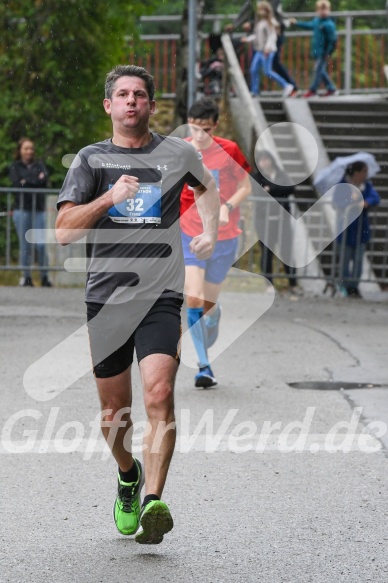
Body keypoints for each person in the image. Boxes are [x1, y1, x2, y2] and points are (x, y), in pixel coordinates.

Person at [55, 65, 220, 544]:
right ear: (109, 105)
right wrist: (110, 197)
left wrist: (207, 229)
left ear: (151, 105)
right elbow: (65, 231)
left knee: (159, 393)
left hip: (160, 295)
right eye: (122, 95)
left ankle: (152, 500)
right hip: (107, 298)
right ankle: (127, 475)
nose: (131, 101)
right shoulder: (90, 160)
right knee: (114, 415)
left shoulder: (178, 152)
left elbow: (205, 186)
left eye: (140, 95)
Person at [180, 97, 251, 388]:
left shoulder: (229, 150)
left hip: (224, 236)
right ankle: (203, 366)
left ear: (215, 126)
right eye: (195, 129)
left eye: (206, 130)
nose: (199, 136)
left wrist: (227, 207)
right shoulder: (180, 150)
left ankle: (214, 315)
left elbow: (246, 186)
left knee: (208, 306)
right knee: (193, 298)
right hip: (189, 233)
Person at [251, 150, 299, 294]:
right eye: (261, 161)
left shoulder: (281, 174)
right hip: (263, 220)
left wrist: (271, 189)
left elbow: (290, 188)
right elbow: (258, 192)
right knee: (267, 252)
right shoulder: (256, 177)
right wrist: (276, 190)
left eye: (266, 160)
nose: (264, 163)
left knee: (286, 251)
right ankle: (268, 284)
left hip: (282, 219)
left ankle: (293, 283)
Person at [225, 0, 297, 93]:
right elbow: (256, 34)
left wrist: (267, 47)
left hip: (267, 49)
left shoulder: (270, 21)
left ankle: (288, 86)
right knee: (254, 69)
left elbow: (272, 35)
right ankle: (254, 91)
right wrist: (247, 38)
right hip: (260, 49)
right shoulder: (260, 22)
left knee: (269, 70)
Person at [333, 161, 380, 298]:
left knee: (358, 260)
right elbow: (337, 201)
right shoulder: (343, 184)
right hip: (345, 228)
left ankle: (354, 286)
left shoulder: (366, 185)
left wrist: (366, 202)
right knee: (344, 260)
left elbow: (375, 197)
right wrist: (351, 200)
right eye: (364, 171)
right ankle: (344, 285)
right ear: (357, 173)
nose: (366, 174)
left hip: (361, 228)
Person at [9, 138, 52, 287]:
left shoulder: (40, 165)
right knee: (25, 245)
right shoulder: (15, 166)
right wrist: (34, 180)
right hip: (22, 209)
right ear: (20, 150)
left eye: (31, 148)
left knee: (40, 245)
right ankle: (26, 277)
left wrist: (26, 181)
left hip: (38, 210)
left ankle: (45, 277)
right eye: (26, 148)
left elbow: (44, 180)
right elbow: (17, 183)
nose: (29, 151)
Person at [291, 0, 338, 98]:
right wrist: (296, 23)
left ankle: (313, 90)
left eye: (325, 9)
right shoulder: (317, 21)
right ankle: (331, 88)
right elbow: (308, 25)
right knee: (320, 70)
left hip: (324, 52)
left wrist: (328, 52)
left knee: (318, 70)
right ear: (317, 10)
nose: (323, 12)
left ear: (329, 10)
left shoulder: (329, 24)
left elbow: (332, 40)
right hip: (317, 51)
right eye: (321, 9)